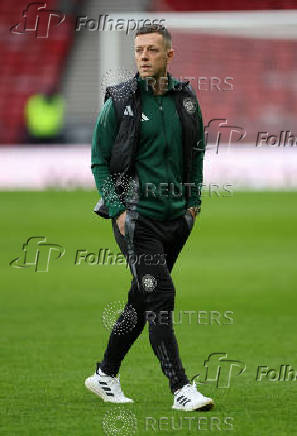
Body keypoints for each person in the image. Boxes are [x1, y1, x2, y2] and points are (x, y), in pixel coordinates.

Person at [85, 24, 214, 412]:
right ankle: (181, 389)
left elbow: (196, 152)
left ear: (168, 56)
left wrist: (193, 203)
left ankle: (106, 374)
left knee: (141, 299)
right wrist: (119, 209)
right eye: (139, 50)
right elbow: (99, 161)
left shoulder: (186, 99)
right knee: (160, 295)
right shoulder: (121, 101)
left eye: (152, 50)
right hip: (136, 220)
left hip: (176, 219)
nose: (143, 56)